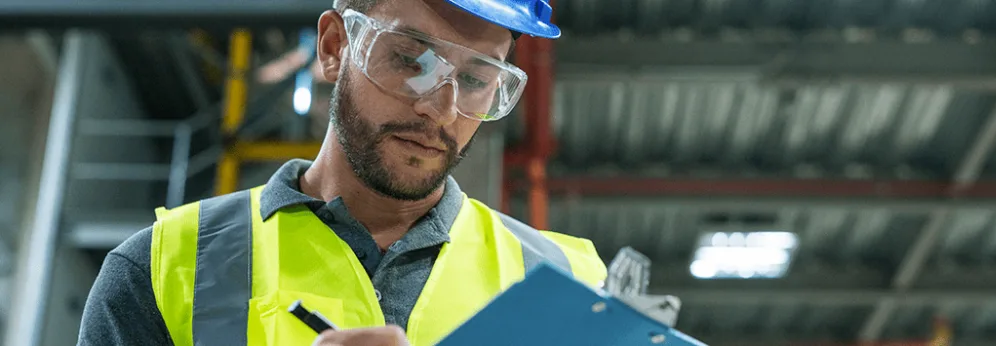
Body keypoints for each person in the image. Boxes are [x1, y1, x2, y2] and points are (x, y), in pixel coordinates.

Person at [76, 0, 609, 345]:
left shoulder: (569, 285)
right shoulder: (162, 270)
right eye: (411, 60)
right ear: (334, 47)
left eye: (475, 79)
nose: (441, 110)